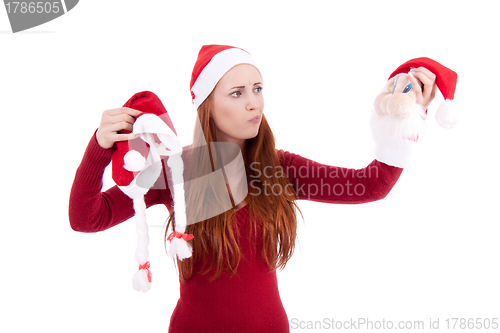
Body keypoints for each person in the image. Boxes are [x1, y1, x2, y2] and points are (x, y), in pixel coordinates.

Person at [69, 44, 437, 332]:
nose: (253, 103)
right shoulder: (174, 170)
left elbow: (370, 185)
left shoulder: (278, 168)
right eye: (237, 93)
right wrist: (99, 147)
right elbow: (87, 218)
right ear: (207, 106)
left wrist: (401, 118)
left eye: (257, 89)